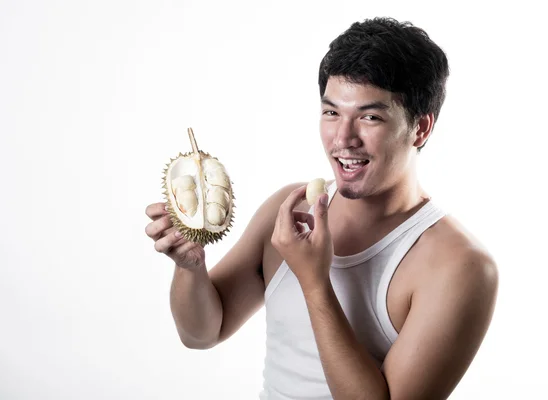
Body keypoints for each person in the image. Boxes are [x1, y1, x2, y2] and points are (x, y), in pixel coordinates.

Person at [145, 17, 498, 400]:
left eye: (370, 117)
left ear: (421, 128)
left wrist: (314, 283)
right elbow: (202, 333)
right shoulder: (286, 210)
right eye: (331, 112)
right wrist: (190, 266)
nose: (342, 138)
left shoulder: (460, 266)